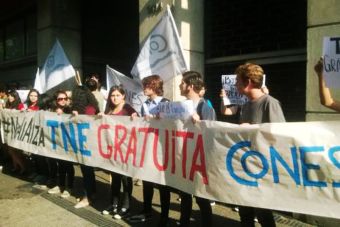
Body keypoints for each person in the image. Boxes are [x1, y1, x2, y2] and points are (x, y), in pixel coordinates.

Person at [221, 63, 285, 227]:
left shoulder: (270, 103)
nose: (235, 85)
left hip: (262, 169)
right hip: (244, 167)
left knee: (263, 214)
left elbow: (280, 136)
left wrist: (252, 129)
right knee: (245, 212)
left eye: (237, 81)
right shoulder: (245, 105)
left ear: (248, 81)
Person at [128, 75, 171, 226]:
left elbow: (172, 125)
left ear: (154, 87)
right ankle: (146, 211)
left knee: (163, 185)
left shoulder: (166, 103)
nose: (144, 88)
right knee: (147, 181)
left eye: (146, 86)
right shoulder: (144, 104)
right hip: (148, 147)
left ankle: (164, 216)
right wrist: (136, 117)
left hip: (162, 149)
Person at [178, 71, 216, 227]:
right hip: (184, 157)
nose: (180, 85)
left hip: (199, 160)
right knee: (185, 194)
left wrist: (200, 123)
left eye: (182, 83)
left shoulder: (205, 107)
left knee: (201, 198)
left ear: (191, 86)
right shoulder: (180, 106)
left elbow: (211, 134)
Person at [100, 85, 137, 220]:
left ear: (123, 96)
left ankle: (126, 206)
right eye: (112, 95)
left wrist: (135, 116)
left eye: (117, 95)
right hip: (112, 151)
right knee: (115, 178)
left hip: (126, 151)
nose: (114, 98)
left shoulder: (128, 109)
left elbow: (136, 121)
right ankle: (114, 203)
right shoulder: (109, 110)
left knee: (126, 179)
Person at [72, 79, 100, 209]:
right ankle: (92, 194)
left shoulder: (87, 110)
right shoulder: (92, 106)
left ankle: (87, 197)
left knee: (86, 171)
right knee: (87, 171)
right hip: (89, 144)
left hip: (86, 145)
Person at [47, 90, 75, 198]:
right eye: (60, 99)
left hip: (69, 141)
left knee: (68, 165)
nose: (63, 101)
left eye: (65, 98)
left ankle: (69, 187)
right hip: (58, 141)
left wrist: (66, 114)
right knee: (60, 164)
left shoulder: (71, 109)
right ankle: (61, 185)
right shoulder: (52, 110)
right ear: (56, 100)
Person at [4, 90, 26, 174]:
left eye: (12, 96)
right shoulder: (8, 105)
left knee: (16, 151)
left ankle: (23, 167)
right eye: (9, 95)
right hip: (9, 130)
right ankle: (16, 166)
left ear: (15, 96)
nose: (10, 97)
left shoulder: (20, 105)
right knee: (10, 150)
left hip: (17, 131)